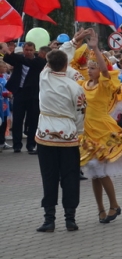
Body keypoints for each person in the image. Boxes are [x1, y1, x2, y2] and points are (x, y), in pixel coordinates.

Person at [76, 30, 122, 224]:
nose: (90, 70)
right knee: (93, 175)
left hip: (103, 131)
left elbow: (106, 71)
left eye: (94, 67)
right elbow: (72, 65)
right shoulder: (83, 84)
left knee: (102, 171)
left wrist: (96, 48)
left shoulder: (104, 84)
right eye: (89, 67)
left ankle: (114, 204)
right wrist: (77, 41)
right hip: (87, 131)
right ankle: (100, 210)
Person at [33, 49, 86, 232]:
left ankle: (49, 219)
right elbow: (80, 114)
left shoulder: (44, 78)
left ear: (48, 64)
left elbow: (55, 59)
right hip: (68, 136)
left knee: (49, 176)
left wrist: (72, 43)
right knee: (70, 176)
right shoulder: (75, 87)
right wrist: (78, 132)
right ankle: (70, 218)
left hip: (45, 135)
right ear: (66, 65)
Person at [2, 41, 47, 154]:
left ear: (34, 50)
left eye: (31, 50)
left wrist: (10, 52)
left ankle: (31, 144)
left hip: (33, 94)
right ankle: (17, 145)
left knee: (33, 120)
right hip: (19, 93)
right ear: (23, 50)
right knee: (17, 120)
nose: (28, 52)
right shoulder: (19, 59)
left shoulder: (39, 61)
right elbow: (8, 59)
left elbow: (26, 62)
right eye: (26, 50)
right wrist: (7, 51)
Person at [0, 61, 11, 152]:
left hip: (5, 104)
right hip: (1, 101)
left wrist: (9, 93)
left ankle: (2, 141)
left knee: (4, 123)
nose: (5, 68)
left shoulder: (4, 77)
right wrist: (6, 94)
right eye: (3, 67)